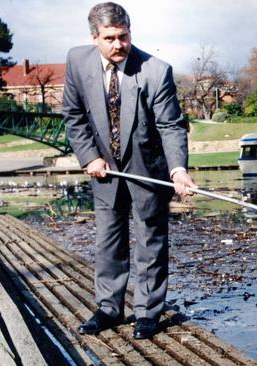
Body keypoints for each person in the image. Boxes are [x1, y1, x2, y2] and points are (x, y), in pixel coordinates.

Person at [62, 2, 197, 340]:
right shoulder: (77, 62)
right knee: (109, 239)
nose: (118, 45)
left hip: (148, 167)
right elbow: (74, 115)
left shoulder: (155, 70)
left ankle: (148, 312)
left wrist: (177, 170)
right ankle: (108, 308)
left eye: (123, 36)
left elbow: (171, 125)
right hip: (103, 169)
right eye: (110, 38)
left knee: (151, 239)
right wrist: (89, 156)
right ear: (95, 38)